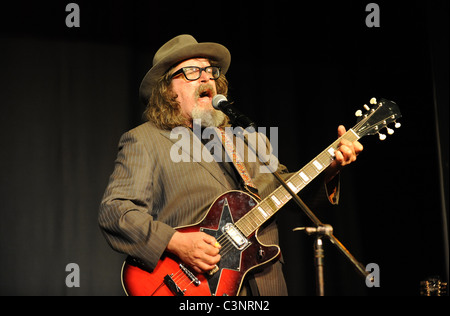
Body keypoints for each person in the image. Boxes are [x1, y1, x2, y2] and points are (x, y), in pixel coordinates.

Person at [98, 34, 363, 296]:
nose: (205, 78)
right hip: (194, 288)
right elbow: (116, 211)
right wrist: (176, 242)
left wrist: (331, 168)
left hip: (266, 284)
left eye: (210, 71)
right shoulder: (145, 140)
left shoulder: (245, 138)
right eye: (191, 71)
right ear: (168, 90)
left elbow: (289, 195)